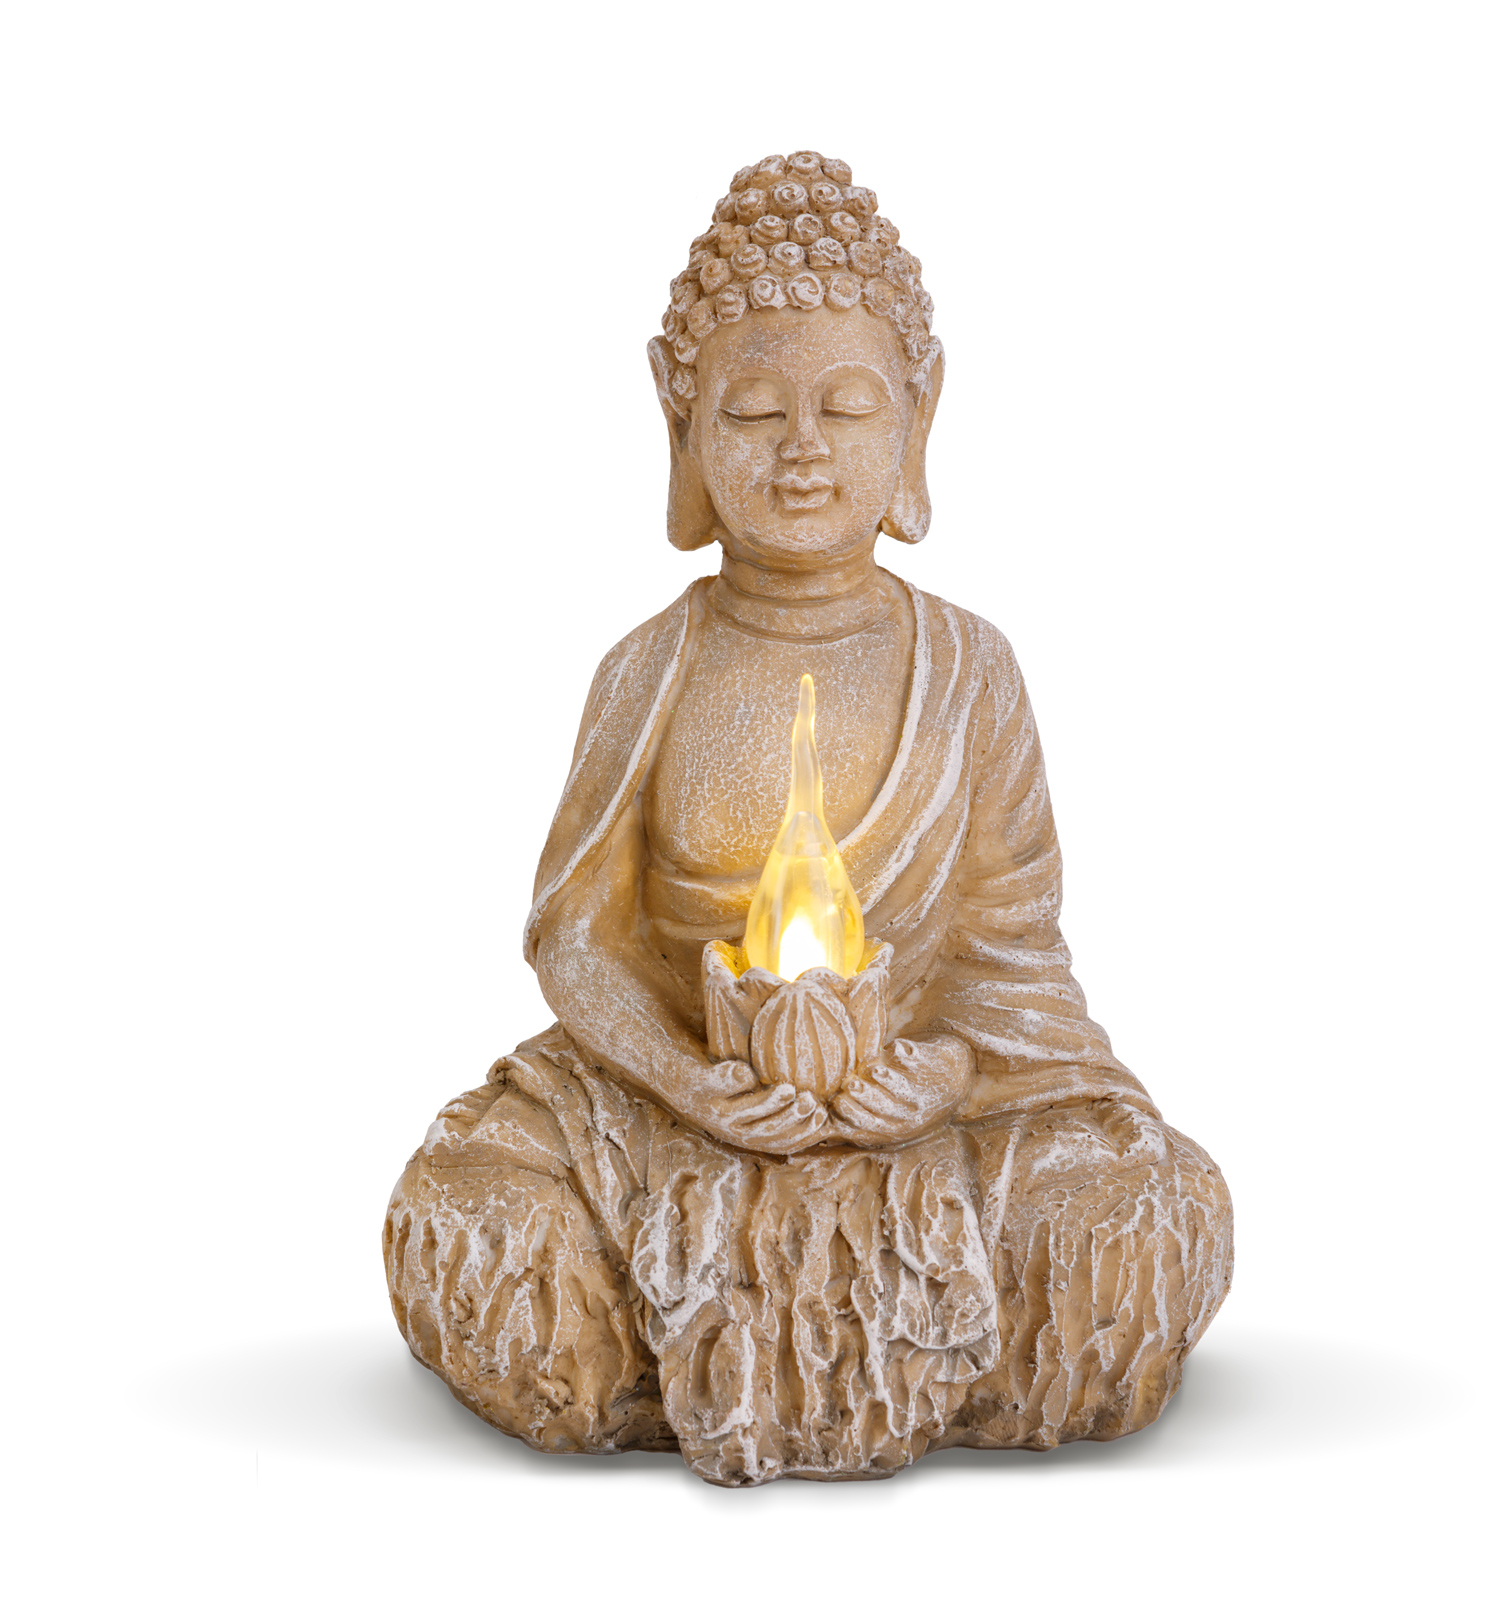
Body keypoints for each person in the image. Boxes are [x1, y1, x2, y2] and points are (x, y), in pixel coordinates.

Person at [385, 152, 1232, 1486]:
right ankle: (824, 1342)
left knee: (1136, 1214)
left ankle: (731, 1347)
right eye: (752, 409)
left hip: (921, 1117)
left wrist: (943, 1074)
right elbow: (577, 941)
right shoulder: (648, 670)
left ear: (918, 412)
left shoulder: (970, 670)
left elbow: (1012, 961)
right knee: (472, 1211)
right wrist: (685, 1080)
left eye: (845, 406)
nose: (801, 450)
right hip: (673, 1106)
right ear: (680, 425)